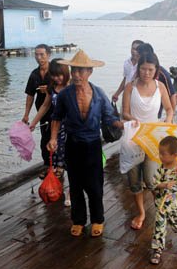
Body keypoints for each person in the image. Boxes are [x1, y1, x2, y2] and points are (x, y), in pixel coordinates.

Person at [47, 50, 124, 237]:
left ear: (90, 71)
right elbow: (56, 117)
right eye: (74, 70)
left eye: (81, 71)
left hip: (93, 145)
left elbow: (109, 118)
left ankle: (98, 219)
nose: (76, 75)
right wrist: (53, 138)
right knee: (75, 184)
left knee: (95, 184)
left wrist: (125, 124)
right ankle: (78, 220)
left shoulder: (98, 94)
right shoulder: (65, 94)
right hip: (72, 144)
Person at [122, 52, 173, 231]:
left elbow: (169, 108)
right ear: (138, 69)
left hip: (153, 139)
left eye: (150, 69)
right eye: (143, 69)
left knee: (152, 178)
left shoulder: (160, 87)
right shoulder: (130, 87)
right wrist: (131, 118)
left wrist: (168, 121)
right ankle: (141, 212)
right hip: (133, 138)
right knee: (134, 179)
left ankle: (161, 206)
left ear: (156, 70)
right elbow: (124, 112)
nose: (146, 73)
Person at [29, 59, 71, 206]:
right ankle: (58, 186)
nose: (57, 78)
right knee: (58, 157)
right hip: (57, 127)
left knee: (72, 162)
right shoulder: (52, 87)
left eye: (60, 75)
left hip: (72, 129)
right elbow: (45, 106)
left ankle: (71, 194)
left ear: (66, 73)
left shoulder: (73, 86)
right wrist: (33, 122)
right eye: (54, 75)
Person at [149, 136, 177, 265]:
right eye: (159, 153)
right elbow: (154, 183)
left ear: (174, 155)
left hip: (175, 206)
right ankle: (157, 249)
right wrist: (164, 185)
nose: (160, 156)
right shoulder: (161, 169)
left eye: (163, 154)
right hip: (161, 205)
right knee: (159, 227)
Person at [22, 44, 52, 167]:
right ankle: (47, 165)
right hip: (42, 113)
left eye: (42, 55)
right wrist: (26, 115)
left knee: (57, 138)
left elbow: (65, 86)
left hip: (57, 111)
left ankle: (59, 166)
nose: (39, 58)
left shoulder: (55, 72)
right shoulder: (34, 74)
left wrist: (50, 89)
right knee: (45, 139)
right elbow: (30, 96)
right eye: (36, 55)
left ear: (49, 55)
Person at [135, 43, 177, 118]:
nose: (136, 58)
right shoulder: (138, 71)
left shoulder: (162, 73)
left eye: (138, 56)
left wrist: (171, 117)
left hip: (154, 112)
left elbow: (172, 94)